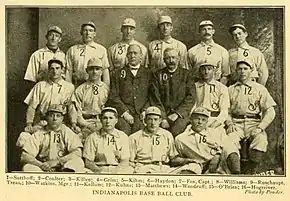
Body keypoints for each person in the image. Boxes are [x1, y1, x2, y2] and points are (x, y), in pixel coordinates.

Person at [226, 59, 276, 174]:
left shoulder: (260, 89)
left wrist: (260, 128)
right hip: (236, 123)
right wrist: (229, 123)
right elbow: (226, 111)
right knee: (228, 140)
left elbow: (270, 111)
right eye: (239, 69)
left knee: (261, 139)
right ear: (236, 71)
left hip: (254, 123)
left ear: (251, 70)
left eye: (245, 69)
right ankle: (236, 171)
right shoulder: (230, 89)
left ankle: (249, 170)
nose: (242, 72)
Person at [174, 107, 241, 174]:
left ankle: (237, 174)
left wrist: (218, 154)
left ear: (207, 122)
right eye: (197, 119)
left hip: (218, 165)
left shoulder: (215, 133)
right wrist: (190, 161)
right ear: (191, 119)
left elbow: (230, 146)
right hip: (199, 167)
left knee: (230, 147)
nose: (200, 122)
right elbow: (176, 158)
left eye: (203, 120)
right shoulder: (181, 138)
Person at [20, 104, 84, 172]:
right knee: (27, 167)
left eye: (58, 116)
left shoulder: (66, 131)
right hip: (43, 167)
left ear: (62, 119)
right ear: (46, 117)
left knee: (78, 161)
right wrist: (41, 165)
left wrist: (58, 161)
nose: (54, 118)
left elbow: (78, 152)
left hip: (63, 166)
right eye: (51, 115)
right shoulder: (39, 133)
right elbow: (25, 156)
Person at [107, 44, 153, 135]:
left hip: (141, 113)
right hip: (124, 113)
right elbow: (114, 96)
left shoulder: (149, 73)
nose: (132, 56)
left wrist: (145, 110)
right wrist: (125, 113)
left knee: (140, 132)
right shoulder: (118, 74)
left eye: (135, 53)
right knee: (123, 131)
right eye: (130, 53)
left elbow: (152, 96)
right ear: (127, 56)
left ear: (141, 56)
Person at [150, 47, 196, 137]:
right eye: (168, 58)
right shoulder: (157, 75)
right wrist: (163, 118)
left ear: (178, 58)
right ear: (164, 60)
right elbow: (154, 98)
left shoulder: (187, 75)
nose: (171, 60)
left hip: (180, 115)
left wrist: (177, 114)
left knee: (177, 131)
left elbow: (191, 97)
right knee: (159, 133)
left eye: (173, 57)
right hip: (162, 114)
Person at [23, 59, 75, 135]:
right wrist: (29, 124)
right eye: (52, 68)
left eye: (57, 68)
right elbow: (32, 107)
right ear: (48, 70)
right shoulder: (40, 86)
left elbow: (71, 108)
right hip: (42, 122)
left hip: (61, 123)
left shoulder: (69, 87)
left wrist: (73, 123)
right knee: (27, 138)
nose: (55, 71)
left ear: (62, 70)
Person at [129, 106, 180, 173]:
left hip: (163, 168)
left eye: (155, 119)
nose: (153, 123)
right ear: (145, 121)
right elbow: (130, 161)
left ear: (160, 121)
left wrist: (188, 160)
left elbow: (173, 158)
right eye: (150, 119)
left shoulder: (167, 135)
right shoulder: (134, 137)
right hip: (143, 168)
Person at [70, 57, 109, 142]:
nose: (94, 72)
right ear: (87, 71)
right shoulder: (80, 89)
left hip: (103, 123)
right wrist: (86, 124)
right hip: (86, 123)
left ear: (102, 71)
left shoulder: (107, 89)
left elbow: (110, 110)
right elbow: (77, 111)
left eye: (97, 69)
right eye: (91, 69)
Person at [83, 107, 132, 173]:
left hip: (118, 169)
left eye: (111, 118)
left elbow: (125, 161)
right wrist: (101, 172)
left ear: (116, 120)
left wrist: (116, 172)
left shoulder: (123, 137)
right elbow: (88, 162)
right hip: (99, 169)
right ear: (101, 120)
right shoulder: (92, 137)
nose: (108, 121)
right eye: (105, 118)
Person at [191, 59, 229, 134]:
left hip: (214, 120)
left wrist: (216, 123)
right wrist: (193, 121)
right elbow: (191, 107)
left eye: (209, 69)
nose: (206, 72)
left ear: (214, 70)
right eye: (203, 69)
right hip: (197, 120)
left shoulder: (222, 88)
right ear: (199, 71)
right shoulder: (194, 86)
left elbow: (224, 112)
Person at [65, 21, 110, 86]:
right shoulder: (72, 50)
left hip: (95, 85)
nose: (88, 33)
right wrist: (68, 88)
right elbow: (68, 71)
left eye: (90, 31)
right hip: (77, 84)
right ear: (81, 33)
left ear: (94, 34)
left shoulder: (101, 49)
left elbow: (105, 71)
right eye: (85, 30)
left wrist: (106, 88)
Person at [188, 20, 229, 85]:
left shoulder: (222, 51)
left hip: (216, 85)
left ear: (213, 31)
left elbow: (225, 75)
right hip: (197, 85)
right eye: (203, 29)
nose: (207, 32)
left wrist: (219, 87)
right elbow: (188, 74)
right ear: (199, 32)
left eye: (209, 29)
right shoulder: (192, 51)